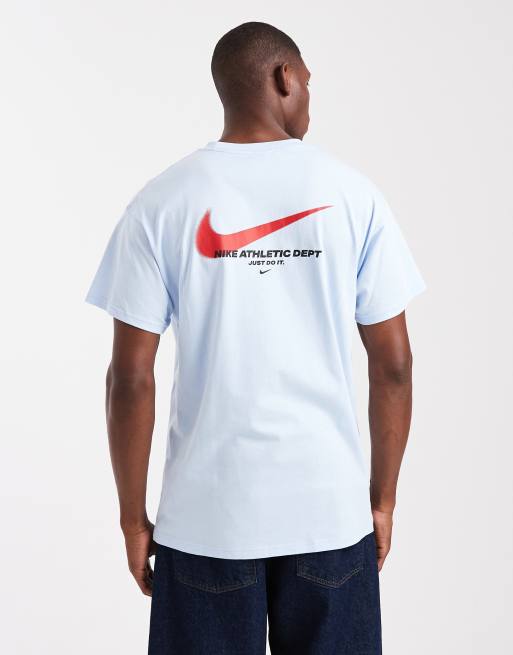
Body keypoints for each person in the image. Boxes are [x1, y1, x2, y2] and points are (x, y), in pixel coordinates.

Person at [85, 21, 425, 655]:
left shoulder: (162, 202)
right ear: (284, 78)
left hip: (206, 521)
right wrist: (381, 501)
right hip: (328, 515)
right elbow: (395, 366)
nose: (310, 98)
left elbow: (129, 378)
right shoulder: (354, 196)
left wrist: (133, 519)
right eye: (308, 83)